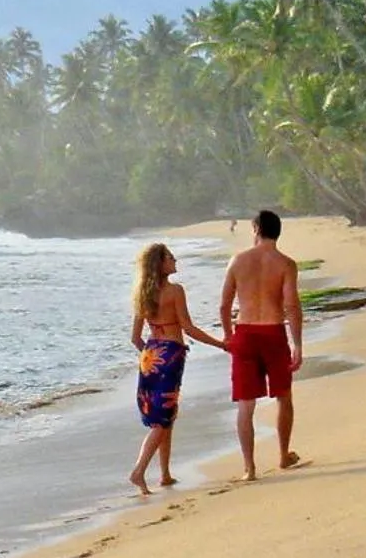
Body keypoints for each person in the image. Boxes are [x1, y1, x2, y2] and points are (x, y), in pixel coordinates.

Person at [129, 242, 226, 498]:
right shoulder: (175, 291)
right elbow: (189, 329)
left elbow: (135, 338)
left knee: (165, 415)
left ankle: (165, 474)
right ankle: (139, 471)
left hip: (150, 356)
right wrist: (221, 344)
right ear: (160, 264)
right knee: (163, 419)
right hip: (171, 355)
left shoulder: (142, 293)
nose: (175, 261)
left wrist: (152, 357)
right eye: (171, 258)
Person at [219, 209, 303, 480]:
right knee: (283, 396)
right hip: (273, 332)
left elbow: (224, 305)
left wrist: (228, 335)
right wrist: (298, 344)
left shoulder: (237, 261)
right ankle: (283, 455)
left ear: (256, 228)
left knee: (246, 404)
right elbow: (291, 305)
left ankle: (249, 468)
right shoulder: (286, 264)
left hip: (245, 333)